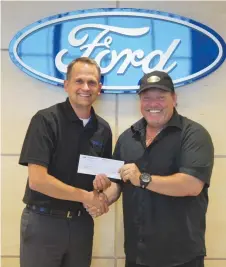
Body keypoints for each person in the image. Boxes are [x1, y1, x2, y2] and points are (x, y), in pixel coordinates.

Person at [85, 70, 214, 267]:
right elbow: (118, 183)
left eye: (160, 98)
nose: (153, 104)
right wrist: (103, 198)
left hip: (180, 256)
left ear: (174, 99)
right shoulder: (127, 138)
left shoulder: (194, 134)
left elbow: (192, 184)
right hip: (137, 254)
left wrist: (143, 179)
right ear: (140, 102)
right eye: (147, 98)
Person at [19, 57, 112, 267]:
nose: (85, 88)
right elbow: (38, 181)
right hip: (44, 223)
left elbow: (102, 179)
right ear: (66, 84)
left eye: (92, 82)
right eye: (79, 81)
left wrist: (101, 187)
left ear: (99, 88)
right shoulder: (45, 120)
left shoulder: (103, 129)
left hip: (81, 225)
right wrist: (86, 196)